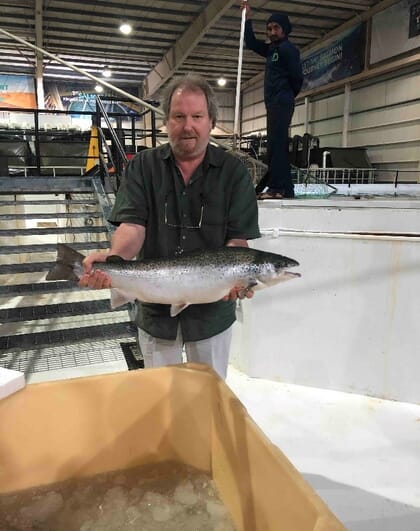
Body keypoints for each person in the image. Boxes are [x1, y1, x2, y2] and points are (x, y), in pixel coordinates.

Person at [79, 74, 260, 379]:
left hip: (211, 315)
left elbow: (237, 241)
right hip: (156, 310)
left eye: (197, 116)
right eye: (179, 116)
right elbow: (132, 226)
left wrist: (238, 279)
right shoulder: (143, 166)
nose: (188, 126)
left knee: (209, 397)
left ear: (211, 121)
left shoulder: (234, 173)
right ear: (166, 122)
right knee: (161, 400)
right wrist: (114, 259)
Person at [240, 1, 303, 199]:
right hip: (274, 103)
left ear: (284, 30)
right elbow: (250, 42)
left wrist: (286, 95)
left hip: (281, 101)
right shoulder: (271, 50)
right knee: (277, 145)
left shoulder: (288, 49)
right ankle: (285, 188)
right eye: (269, 28)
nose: (271, 32)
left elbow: (297, 77)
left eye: (276, 28)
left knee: (276, 146)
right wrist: (247, 18)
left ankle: (276, 188)